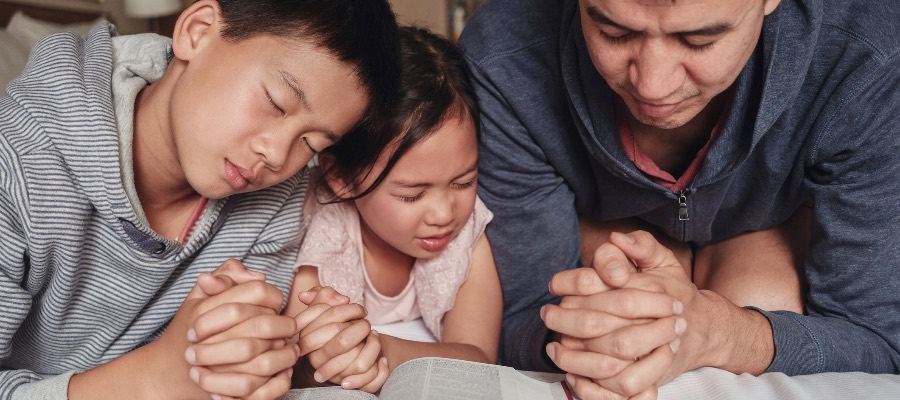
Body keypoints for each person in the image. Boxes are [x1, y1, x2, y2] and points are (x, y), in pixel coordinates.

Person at [459, 0, 900, 399]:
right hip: (594, 225)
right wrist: (586, 337)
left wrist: (720, 333)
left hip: (778, 226)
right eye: (614, 32)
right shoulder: (504, 55)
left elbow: (879, 340)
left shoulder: (868, 56)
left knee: (765, 293)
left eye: (699, 39)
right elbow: (515, 320)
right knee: (607, 289)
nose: (652, 86)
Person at [0, 0, 401, 399]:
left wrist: (309, 360)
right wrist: (151, 379)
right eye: (276, 103)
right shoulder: (16, 163)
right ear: (198, 32)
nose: (278, 155)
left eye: (310, 143)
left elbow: (231, 370)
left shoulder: (279, 195)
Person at [281, 26, 503, 393]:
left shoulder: (466, 232)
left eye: (464, 182)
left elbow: (478, 356)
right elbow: (297, 360)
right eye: (413, 195)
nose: (444, 213)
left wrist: (381, 349)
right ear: (340, 176)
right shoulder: (320, 232)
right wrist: (326, 358)